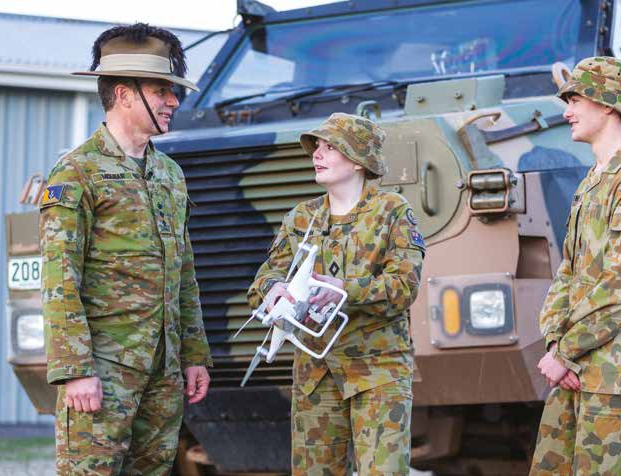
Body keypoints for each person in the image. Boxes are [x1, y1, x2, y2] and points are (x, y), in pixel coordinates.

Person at [40, 23, 212, 475]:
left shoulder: (170, 174)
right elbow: (60, 276)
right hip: (104, 367)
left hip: (163, 368)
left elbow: (184, 273)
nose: (173, 101)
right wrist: (74, 368)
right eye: (162, 90)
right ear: (124, 93)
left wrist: (193, 356)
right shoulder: (77, 171)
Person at [248, 113, 425, 475]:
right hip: (316, 373)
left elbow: (404, 286)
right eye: (317, 147)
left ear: (359, 160)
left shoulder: (392, 211)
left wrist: (345, 290)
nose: (317, 154)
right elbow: (265, 277)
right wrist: (273, 289)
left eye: (330, 147)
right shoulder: (301, 218)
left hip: (377, 371)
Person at [529, 56, 621, 475]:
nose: (567, 111)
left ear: (607, 105)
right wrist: (557, 344)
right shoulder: (594, 179)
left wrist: (567, 352)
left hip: (617, 384)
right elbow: (568, 272)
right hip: (576, 375)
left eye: (574, 99)